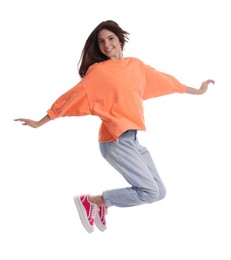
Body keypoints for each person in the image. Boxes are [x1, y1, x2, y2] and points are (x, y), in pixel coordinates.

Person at [14, 20, 215, 233]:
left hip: (133, 140)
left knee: (159, 192)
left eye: (110, 38)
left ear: (120, 40)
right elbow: (71, 98)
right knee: (149, 191)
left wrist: (198, 90)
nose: (107, 45)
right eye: (101, 42)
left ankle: (102, 204)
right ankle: (92, 200)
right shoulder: (99, 72)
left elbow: (167, 82)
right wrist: (40, 121)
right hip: (115, 141)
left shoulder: (136, 66)